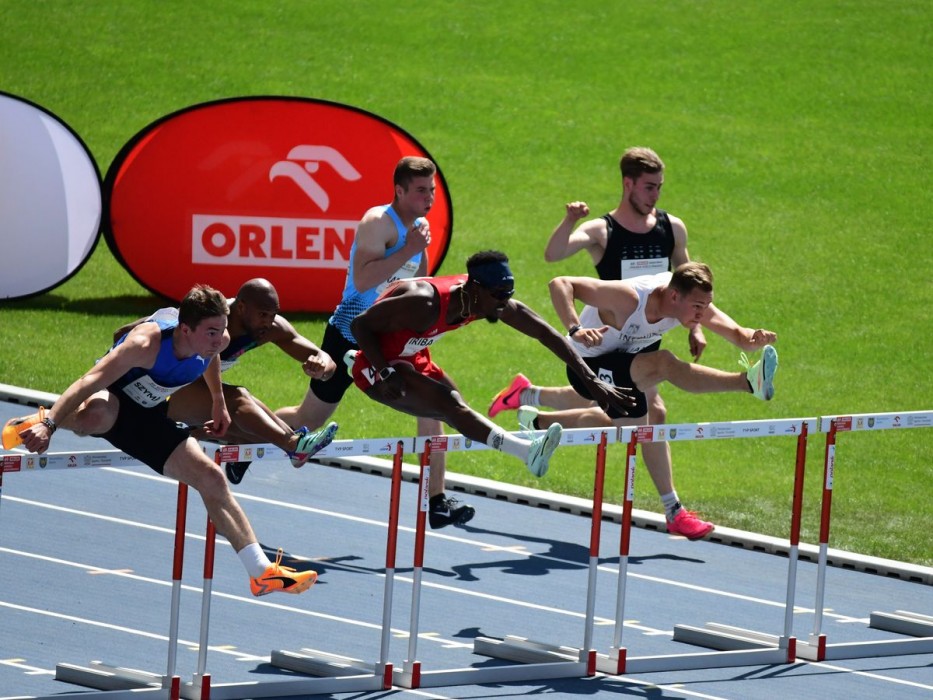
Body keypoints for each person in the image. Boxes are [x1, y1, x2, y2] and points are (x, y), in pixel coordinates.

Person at [5, 285, 317, 596]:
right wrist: (50, 425)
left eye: (222, 330)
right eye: (211, 332)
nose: (219, 340)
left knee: (211, 478)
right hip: (112, 397)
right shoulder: (144, 344)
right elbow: (88, 381)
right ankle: (38, 421)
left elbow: (211, 358)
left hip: (150, 412)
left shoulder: (216, 340)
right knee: (95, 416)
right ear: (185, 329)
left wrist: (218, 400)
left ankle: (261, 572)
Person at [490, 146, 710, 538]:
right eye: (648, 187)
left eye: (659, 187)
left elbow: (687, 278)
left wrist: (695, 326)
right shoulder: (603, 231)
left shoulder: (671, 228)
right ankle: (673, 510)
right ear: (628, 184)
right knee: (641, 412)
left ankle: (530, 407)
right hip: (606, 340)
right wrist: (569, 220)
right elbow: (554, 255)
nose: (656, 195)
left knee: (621, 412)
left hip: (646, 337)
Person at [501, 262, 777, 540]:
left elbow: (739, 335)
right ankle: (748, 382)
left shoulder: (688, 303)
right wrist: (575, 329)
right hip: (586, 368)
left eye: (706, 306)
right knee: (663, 365)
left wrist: (754, 339)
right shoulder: (629, 298)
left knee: (647, 420)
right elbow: (560, 283)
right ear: (674, 296)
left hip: (627, 360)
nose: (702, 314)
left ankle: (539, 425)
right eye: (697, 307)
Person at [276, 156, 472, 529]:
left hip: (394, 338)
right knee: (309, 418)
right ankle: (250, 442)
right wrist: (408, 248)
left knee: (433, 407)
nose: (429, 199)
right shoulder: (377, 222)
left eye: (432, 191)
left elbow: (419, 285)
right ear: (399, 190)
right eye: (420, 191)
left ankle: (437, 500)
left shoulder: (419, 228)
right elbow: (363, 280)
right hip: (351, 333)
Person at [348, 250, 635, 498]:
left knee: (456, 401)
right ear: (475, 288)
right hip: (378, 363)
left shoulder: (485, 300)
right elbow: (359, 326)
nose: (504, 301)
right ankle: (527, 452)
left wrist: (592, 380)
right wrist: (385, 371)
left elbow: (546, 334)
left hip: (412, 355)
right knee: (449, 404)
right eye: (499, 294)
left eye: (509, 294)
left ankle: (439, 499)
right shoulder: (424, 302)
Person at [113, 278, 339, 484]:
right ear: (241, 307)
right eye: (263, 315)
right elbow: (121, 334)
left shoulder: (269, 328)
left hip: (187, 386)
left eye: (273, 315)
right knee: (237, 398)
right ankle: (293, 445)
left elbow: (323, 357)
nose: (269, 322)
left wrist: (323, 366)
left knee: (244, 426)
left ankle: (279, 444)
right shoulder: (206, 316)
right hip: (151, 388)